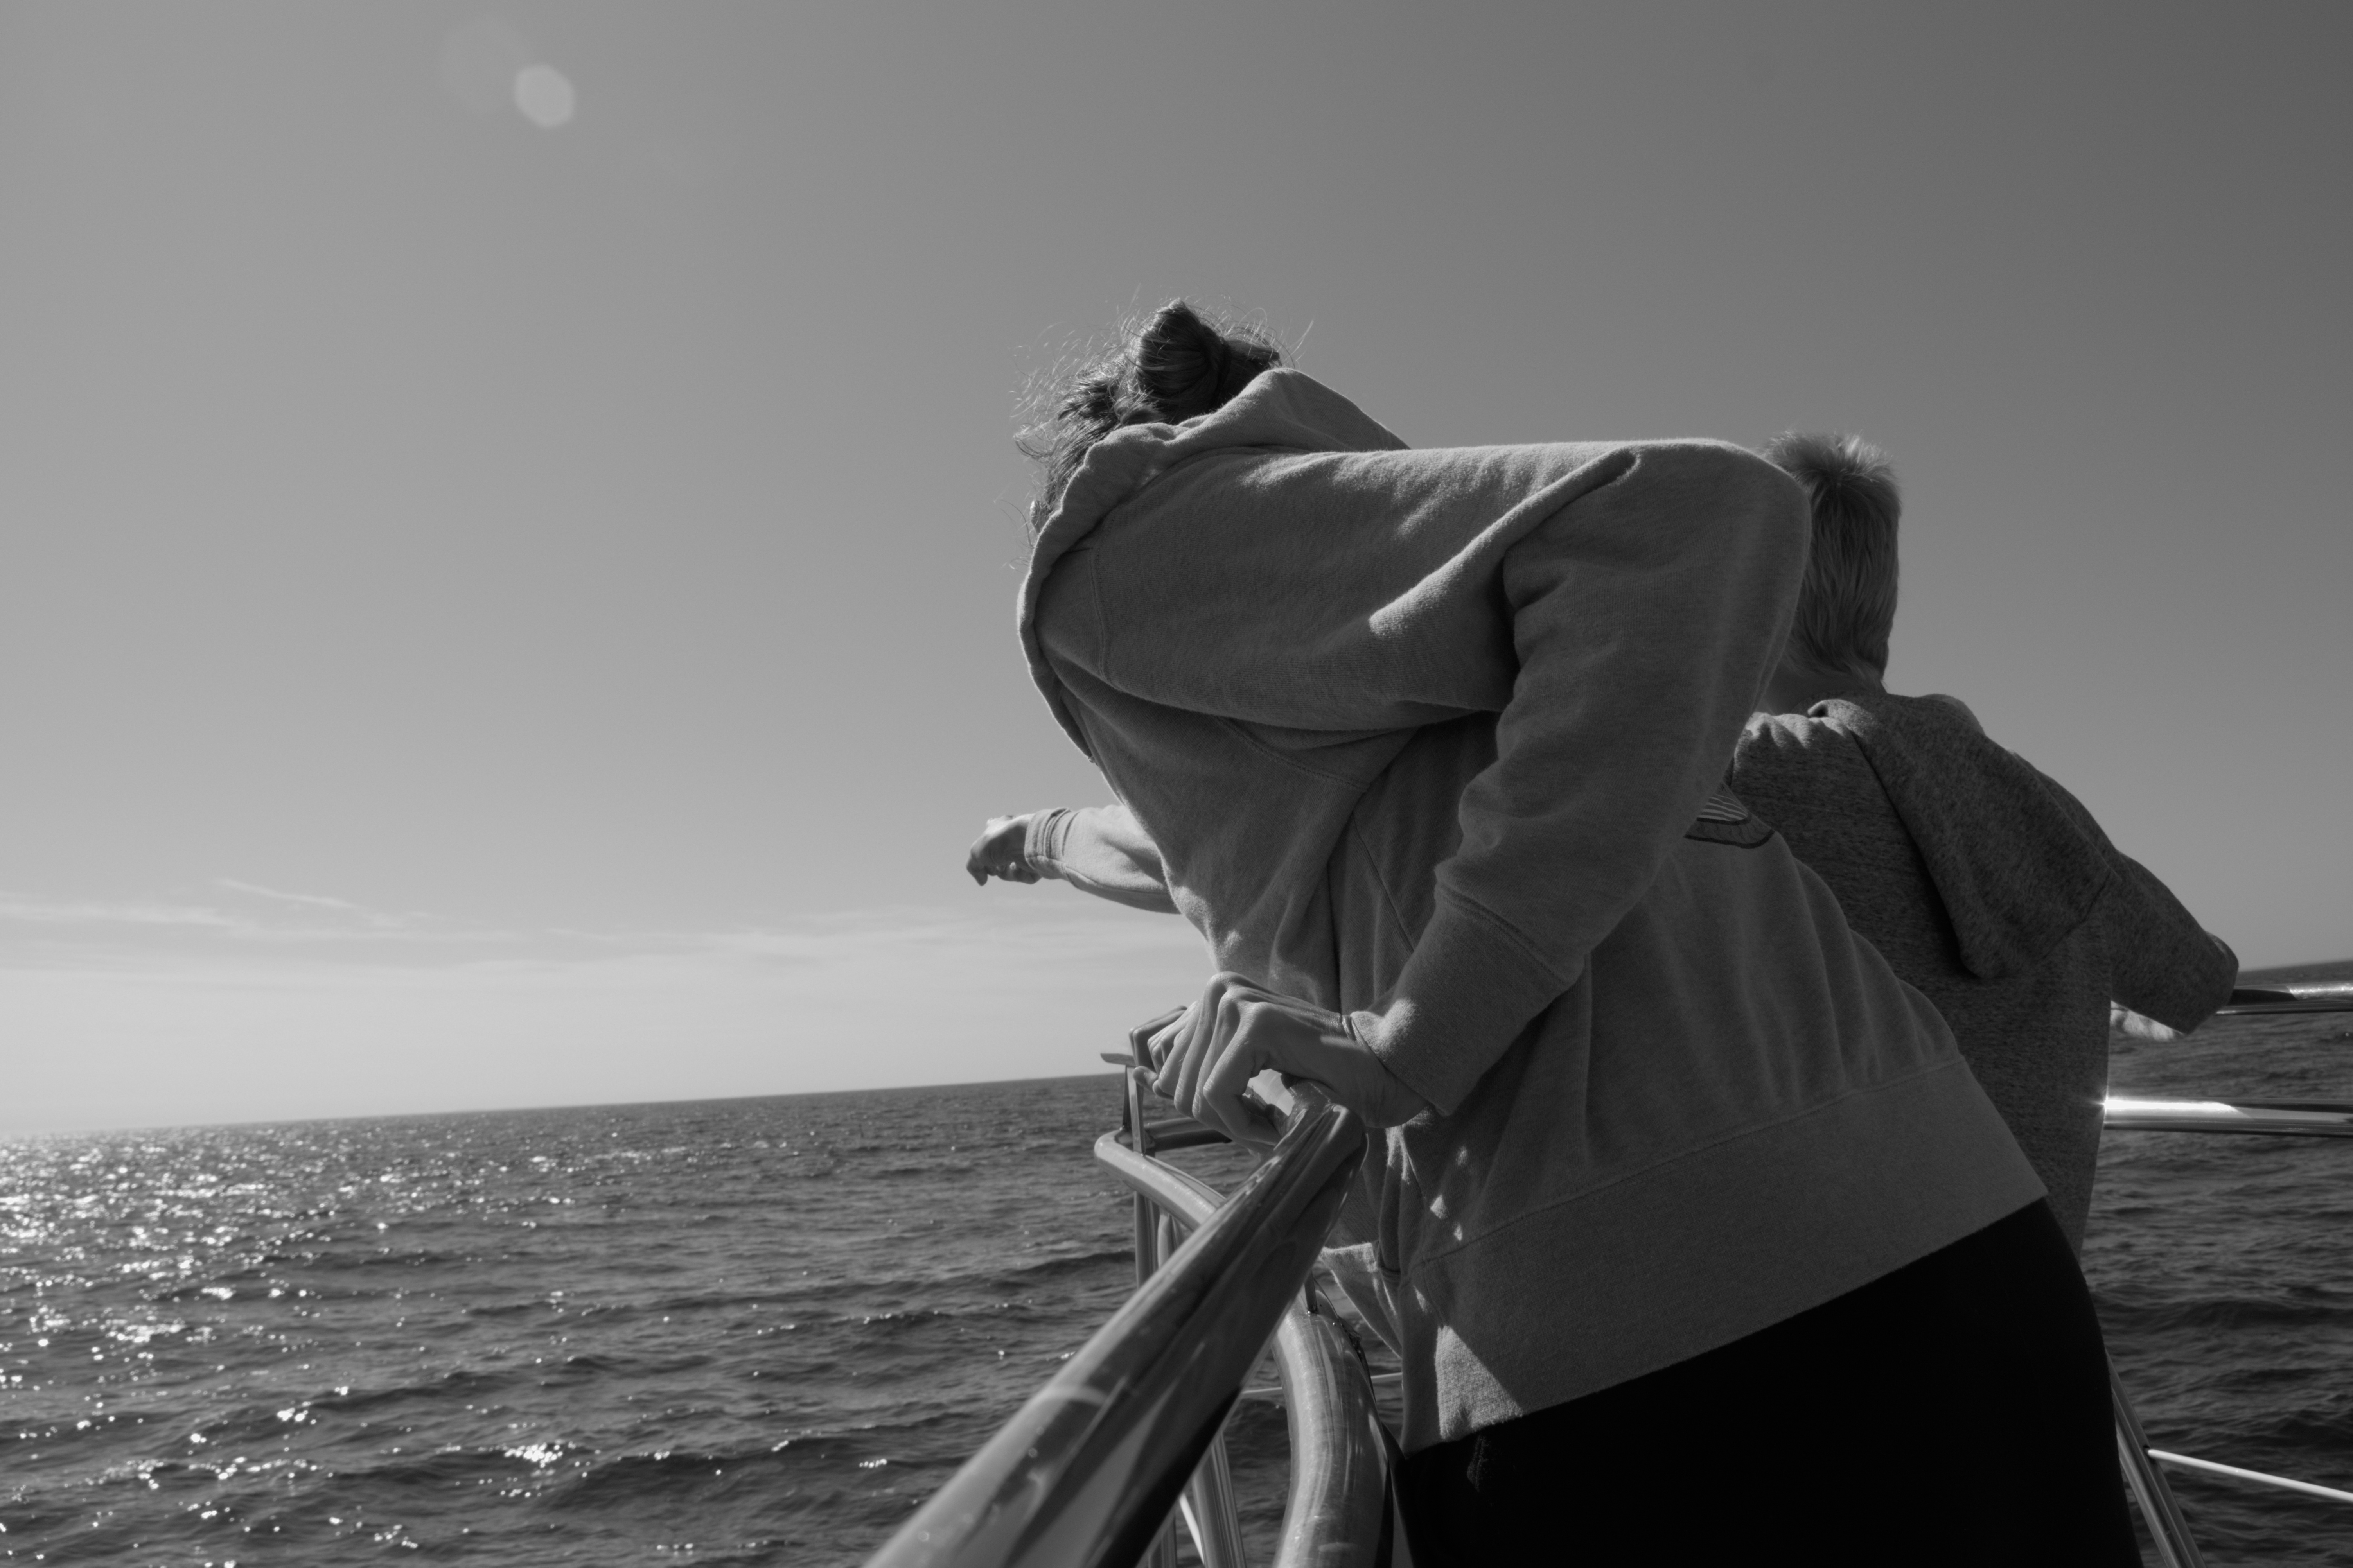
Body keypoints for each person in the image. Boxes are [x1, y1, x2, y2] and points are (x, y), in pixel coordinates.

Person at [992, 300, 2136, 1561]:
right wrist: (1037, 838)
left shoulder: (1130, 545)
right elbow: (1194, 843)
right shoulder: (1447, 640)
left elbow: (1710, 512)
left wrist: (1412, 1039)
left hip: (1666, 1351)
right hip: (1968, 1256)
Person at [1730, 433, 2238, 1250]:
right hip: (2028, 1310)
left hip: (1820, 1308)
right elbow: (2198, 978)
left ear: (1746, 599)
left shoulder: (1727, 777)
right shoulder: (2032, 805)